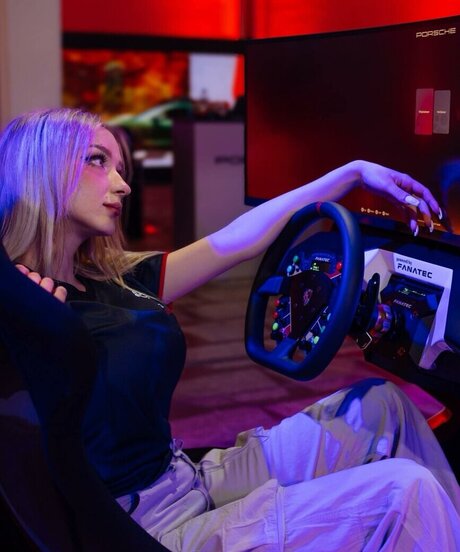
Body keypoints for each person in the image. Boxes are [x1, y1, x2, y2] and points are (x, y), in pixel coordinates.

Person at [0, 107, 459, 551]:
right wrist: (37, 331)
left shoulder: (117, 277)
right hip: (147, 528)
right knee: (404, 491)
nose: (122, 185)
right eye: (97, 161)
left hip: (187, 478)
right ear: (42, 168)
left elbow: (236, 240)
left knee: (382, 405)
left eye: (120, 167)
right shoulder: (28, 306)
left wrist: (352, 174)